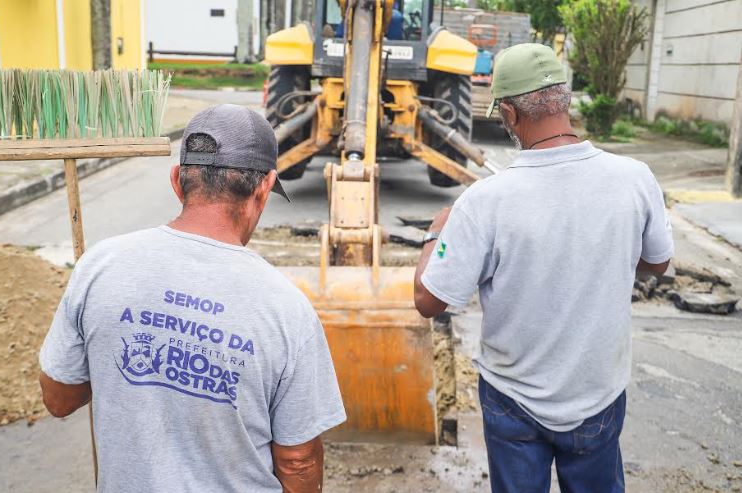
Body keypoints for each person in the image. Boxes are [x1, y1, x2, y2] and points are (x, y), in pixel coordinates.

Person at [39, 104, 346, 492]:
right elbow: (298, 460)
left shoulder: (100, 265)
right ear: (264, 188)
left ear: (177, 181)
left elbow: (59, 398)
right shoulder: (287, 308)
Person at [413, 43, 673, 492]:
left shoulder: (486, 201)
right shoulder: (634, 178)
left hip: (513, 400)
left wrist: (436, 232)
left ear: (511, 115)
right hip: (597, 393)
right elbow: (657, 263)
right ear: (564, 99)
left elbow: (429, 300)